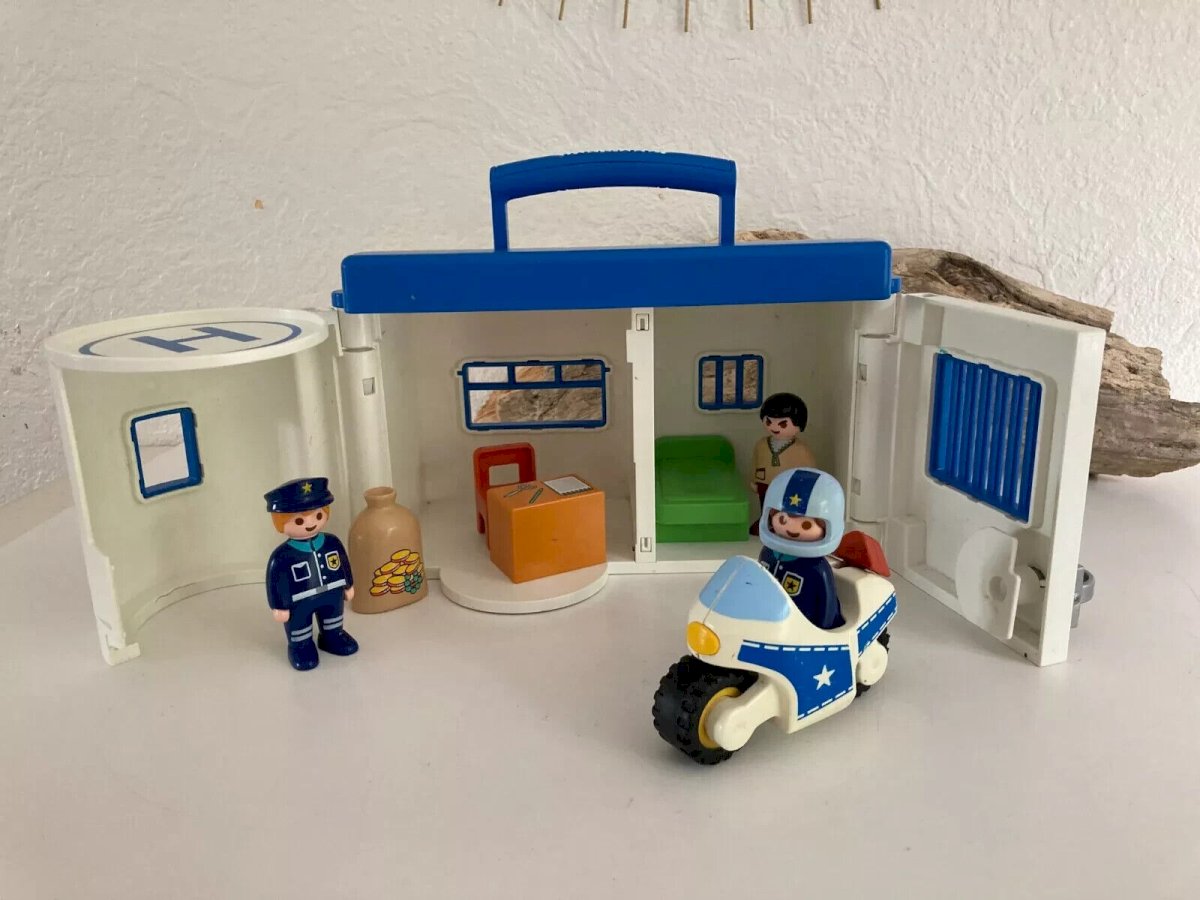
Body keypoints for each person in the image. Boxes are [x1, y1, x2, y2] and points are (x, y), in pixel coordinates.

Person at [264, 477, 359, 671]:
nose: (310, 523)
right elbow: (275, 581)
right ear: (280, 523)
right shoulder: (282, 556)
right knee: (299, 625)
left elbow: (343, 563)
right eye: (299, 520)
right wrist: (279, 606)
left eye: (318, 515)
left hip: (332, 593)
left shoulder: (332, 543)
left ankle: (333, 636)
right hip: (299, 601)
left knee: (333, 617)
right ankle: (301, 646)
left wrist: (348, 585)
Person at [756, 467, 845, 630]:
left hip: (805, 628)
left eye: (806, 525)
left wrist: (824, 631)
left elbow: (827, 604)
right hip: (768, 622)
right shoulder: (767, 554)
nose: (792, 529)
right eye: (782, 520)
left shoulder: (817, 568)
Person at [750, 392, 816, 535]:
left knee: (785, 507)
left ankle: (783, 526)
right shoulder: (761, 444)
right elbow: (756, 461)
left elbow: (809, 470)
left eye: (783, 423)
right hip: (765, 482)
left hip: (789, 486)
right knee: (765, 504)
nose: (774, 427)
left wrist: (806, 488)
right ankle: (766, 522)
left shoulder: (801, 449)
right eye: (769, 421)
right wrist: (754, 480)